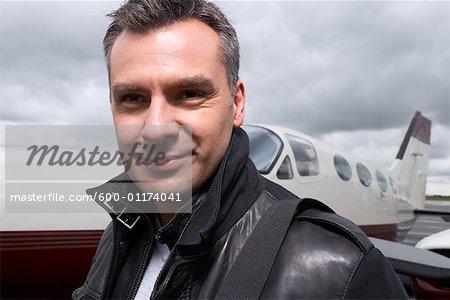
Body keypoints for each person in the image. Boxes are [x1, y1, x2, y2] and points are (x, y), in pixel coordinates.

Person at [73, 0, 408, 299]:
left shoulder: (340, 267)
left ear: (236, 104)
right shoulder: (120, 232)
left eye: (190, 93)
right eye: (132, 99)